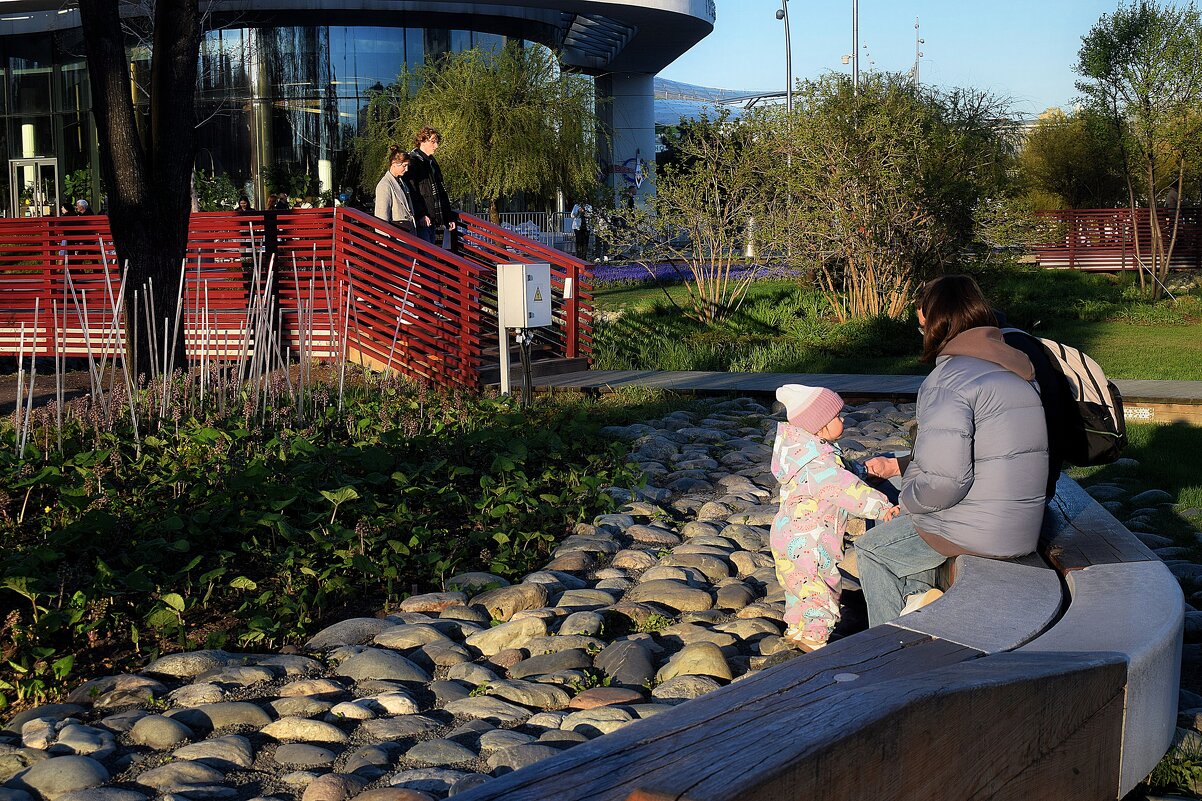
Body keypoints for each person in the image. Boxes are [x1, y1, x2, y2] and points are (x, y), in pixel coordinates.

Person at [856, 275, 1048, 627]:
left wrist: (907, 502)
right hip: (1020, 526)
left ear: (936, 322)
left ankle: (890, 648)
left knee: (874, 550)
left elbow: (947, 482)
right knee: (913, 517)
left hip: (978, 532)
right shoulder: (1016, 370)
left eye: (921, 322)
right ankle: (917, 599)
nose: (921, 330)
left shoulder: (949, 381)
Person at [771, 384, 900, 652]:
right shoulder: (820, 465)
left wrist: (863, 470)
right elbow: (847, 490)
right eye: (838, 417)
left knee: (798, 585)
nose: (843, 419)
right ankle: (814, 643)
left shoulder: (803, 454)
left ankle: (797, 629)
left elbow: (842, 470)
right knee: (820, 589)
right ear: (819, 425)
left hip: (786, 534)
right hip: (811, 541)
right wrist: (883, 508)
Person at [408, 126, 458, 248]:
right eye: (433, 141)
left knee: (433, 254)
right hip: (423, 219)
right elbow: (412, 192)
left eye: (436, 142)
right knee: (427, 256)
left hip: (433, 218)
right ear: (423, 141)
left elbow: (441, 190)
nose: (436, 146)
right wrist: (420, 214)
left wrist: (448, 216)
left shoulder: (431, 162)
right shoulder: (413, 162)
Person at [373, 145, 417, 233]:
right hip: (397, 238)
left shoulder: (401, 182)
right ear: (394, 164)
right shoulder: (384, 185)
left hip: (408, 234)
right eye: (404, 166)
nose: (407, 169)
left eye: (407, 165)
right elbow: (381, 216)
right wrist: (383, 242)